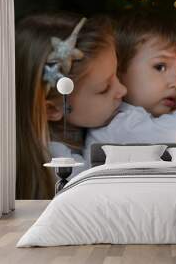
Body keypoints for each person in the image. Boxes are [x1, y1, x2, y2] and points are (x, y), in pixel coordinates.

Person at [84, 12, 176, 160]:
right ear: (119, 69)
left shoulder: (155, 116)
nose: (175, 83)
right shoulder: (117, 125)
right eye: (160, 67)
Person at [15, 12, 127, 199]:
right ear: (52, 109)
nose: (123, 89)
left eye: (118, 74)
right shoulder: (66, 171)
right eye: (104, 88)